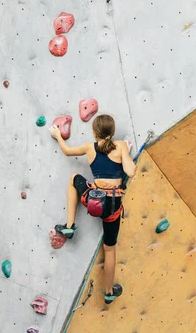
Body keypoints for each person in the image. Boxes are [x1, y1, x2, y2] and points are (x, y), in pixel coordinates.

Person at [49, 114, 136, 304]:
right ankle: (108, 291)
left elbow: (67, 151)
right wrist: (125, 154)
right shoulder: (120, 146)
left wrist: (58, 136)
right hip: (112, 207)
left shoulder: (90, 147)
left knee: (74, 178)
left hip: (94, 201)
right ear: (111, 133)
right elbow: (131, 171)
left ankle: (70, 225)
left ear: (94, 132)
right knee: (110, 249)